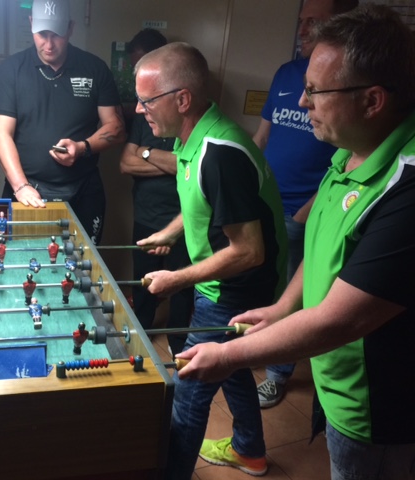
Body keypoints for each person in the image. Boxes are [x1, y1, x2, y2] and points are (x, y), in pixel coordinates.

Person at [176, 6, 415, 480]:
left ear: (372, 101)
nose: (303, 103)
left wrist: (226, 355)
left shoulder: (407, 188)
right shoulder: (349, 152)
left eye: (316, 91)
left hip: (376, 409)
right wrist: (283, 307)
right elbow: (322, 247)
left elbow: (340, 320)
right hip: (337, 384)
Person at [134, 42, 287, 478]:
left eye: (147, 100)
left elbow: (249, 250)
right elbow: (202, 200)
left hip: (235, 291)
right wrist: (170, 232)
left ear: (182, 99)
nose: (140, 110)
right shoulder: (189, 137)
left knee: (189, 389)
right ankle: (249, 451)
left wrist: (177, 279)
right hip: (224, 285)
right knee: (233, 368)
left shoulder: (221, 152)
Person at [251, 0, 358, 409]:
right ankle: (259, 345)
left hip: (304, 212)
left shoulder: (345, 86)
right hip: (265, 203)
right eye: (301, 20)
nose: (302, 29)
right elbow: (262, 138)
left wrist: (307, 211)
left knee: (296, 290)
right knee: (266, 281)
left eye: (314, 21)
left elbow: (347, 158)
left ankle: (277, 374)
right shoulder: (286, 73)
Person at [0, 0, 125, 244]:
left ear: (71, 28)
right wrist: (20, 186)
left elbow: (116, 128)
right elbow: (0, 134)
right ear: (31, 24)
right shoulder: (11, 69)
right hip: (26, 190)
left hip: (83, 190)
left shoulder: (94, 68)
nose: (49, 44)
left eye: (57, 35)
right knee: (22, 259)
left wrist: (82, 147)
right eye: (42, 35)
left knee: (84, 261)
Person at [119, 28, 193, 356]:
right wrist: (169, 161)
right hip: (146, 214)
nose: (140, 108)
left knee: (182, 288)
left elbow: (187, 165)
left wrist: (146, 153)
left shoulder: (191, 116)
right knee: (144, 282)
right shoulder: (143, 116)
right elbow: (125, 163)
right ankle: (141, 339)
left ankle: (179, 349)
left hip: (182, 217)